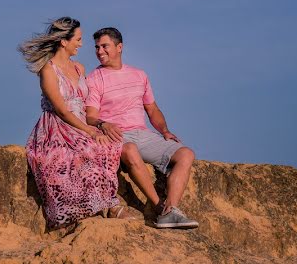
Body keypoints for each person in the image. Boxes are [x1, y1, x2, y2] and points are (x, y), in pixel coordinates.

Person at [20, 17, 137, 227]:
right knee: (76, 155)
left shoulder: (79, 68)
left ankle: (108, 203)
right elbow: (62, 111)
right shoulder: (48, 70)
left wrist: (97, 126)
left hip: (82, 123)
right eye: (78, 39)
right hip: (58, 126)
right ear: (64, 41)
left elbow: (89, 102)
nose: (81, 44)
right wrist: (90, 132)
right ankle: (99, 207)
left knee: (109, 147)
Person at [85, 27, 199, 229]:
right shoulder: (94, 78)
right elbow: (91, 116)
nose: (99, 51)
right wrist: (103, 124)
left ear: (119, 47)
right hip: (116, 135)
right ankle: (159, 208)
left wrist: (164, 131)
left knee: (186, 153)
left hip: (143, 134)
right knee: (130, 150)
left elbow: (152, 108)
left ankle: (171, 210)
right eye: (96, 47)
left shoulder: (139, 75)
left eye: (105, 46)